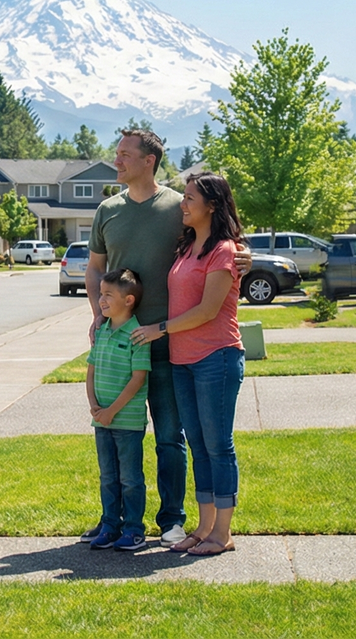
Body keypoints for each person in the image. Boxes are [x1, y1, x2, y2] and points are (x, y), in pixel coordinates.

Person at [82, 128, 250, 547]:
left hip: (172, 343)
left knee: (172, 438)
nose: (116, 160)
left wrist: (245, 256)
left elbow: (219, 239)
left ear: (148, 160)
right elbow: (94, 269)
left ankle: (172, 519)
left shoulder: (179, 205)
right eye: (116, 153)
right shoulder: (108, 210)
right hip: (122, 345)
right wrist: (99, 317)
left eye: (124, 154)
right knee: (119, 434)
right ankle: (118, 520)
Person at [130, 172, 245, 557]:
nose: (183, 203)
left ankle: (223, 534)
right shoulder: (185, 249)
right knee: (197, 444)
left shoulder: (224, 251)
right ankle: (205, 526)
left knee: (218, 446)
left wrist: (158, 329)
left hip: (217, 358)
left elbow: (207, 311)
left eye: (190, 198)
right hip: (183, 361)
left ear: (211, 205)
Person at [84, 268, 152, 553]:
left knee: (130, 478)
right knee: (108, 476)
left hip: (127, 421)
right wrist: (95, 407)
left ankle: (133, 528)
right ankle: (110, 523)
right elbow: (91, 370)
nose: (101, 300)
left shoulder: (138, 335)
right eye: (101, 294)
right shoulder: (101, 331)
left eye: (109, 295)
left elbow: (138, 379)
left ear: (129, 300)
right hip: (102, 420)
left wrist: (112, 410)